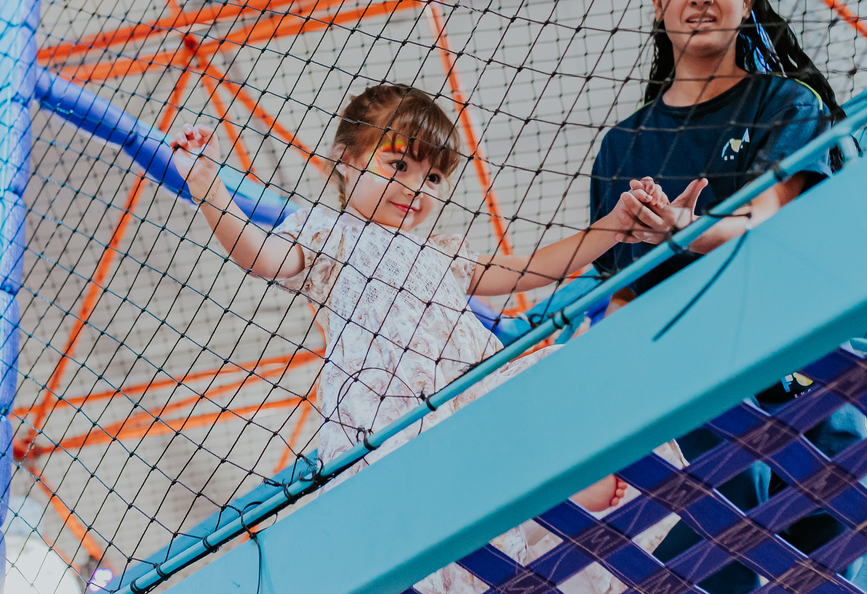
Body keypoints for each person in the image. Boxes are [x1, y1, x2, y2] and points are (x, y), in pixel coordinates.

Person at [171, 83, 682, 594]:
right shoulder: (329, 233)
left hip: (468, 396)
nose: (417, 188)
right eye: (398, 166)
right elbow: (263, 257)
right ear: (345, 160)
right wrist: (211, 193)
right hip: (389, 420)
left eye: (433, 177)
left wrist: (612, 228)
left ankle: (560, 519)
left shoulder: (437, 251)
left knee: (559, 397)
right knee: (439, 531)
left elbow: (527, 268)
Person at [589, 0, 867, 591]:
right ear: (657, 3)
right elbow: (618, 294)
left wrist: (688, 230)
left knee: (839, 560)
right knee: (715, 565)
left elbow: (770, 218)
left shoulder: (788, 103)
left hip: (798, 370)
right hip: (689, 396)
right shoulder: (623, 146)